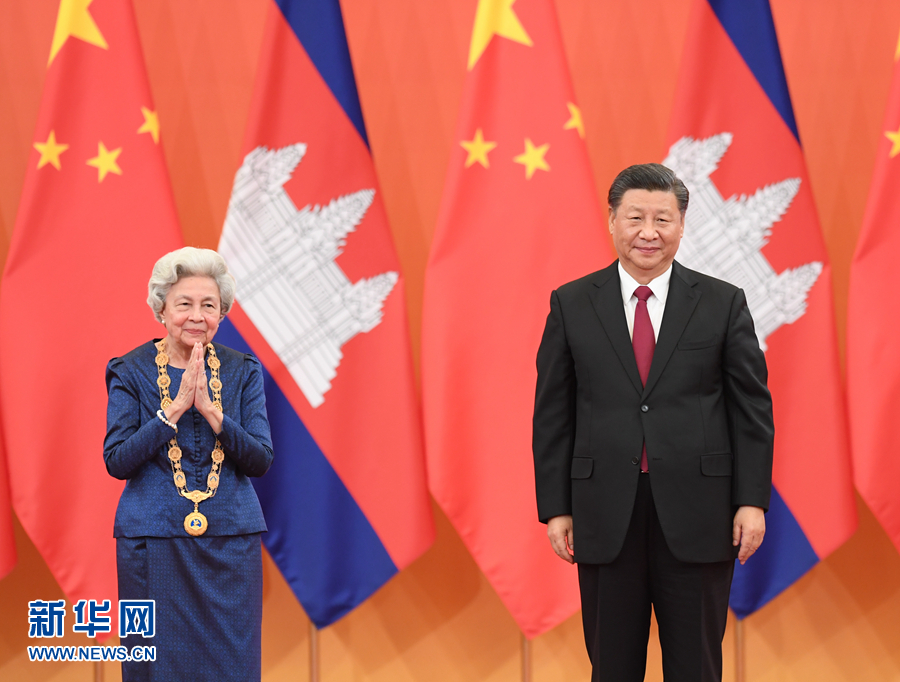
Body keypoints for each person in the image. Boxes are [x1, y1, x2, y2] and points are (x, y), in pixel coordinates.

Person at [533, 163, 773, 682]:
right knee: (612, 666)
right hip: (604, 512)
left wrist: (751, 501)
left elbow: (751, 411)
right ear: (612, 221)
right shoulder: (572, 303)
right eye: (635, 217)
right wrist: (556, 507)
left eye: (662, 219)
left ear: (681, 225)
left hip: (700, 512)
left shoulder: (722, 302)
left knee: (696, 667)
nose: (649, 232)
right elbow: (553, 413)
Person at [104, 247, 273, 681]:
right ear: (161, 309)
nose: (197, 316)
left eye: (209, 306)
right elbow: (117, 461)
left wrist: (215, 415)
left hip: (230, 544)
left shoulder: (243, 371)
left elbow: (259, 460)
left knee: (232, 668)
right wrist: (173, 411)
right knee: (155, 668)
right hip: (153, 542)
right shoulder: (130, 370)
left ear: (222, 313)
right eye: (184, 304)